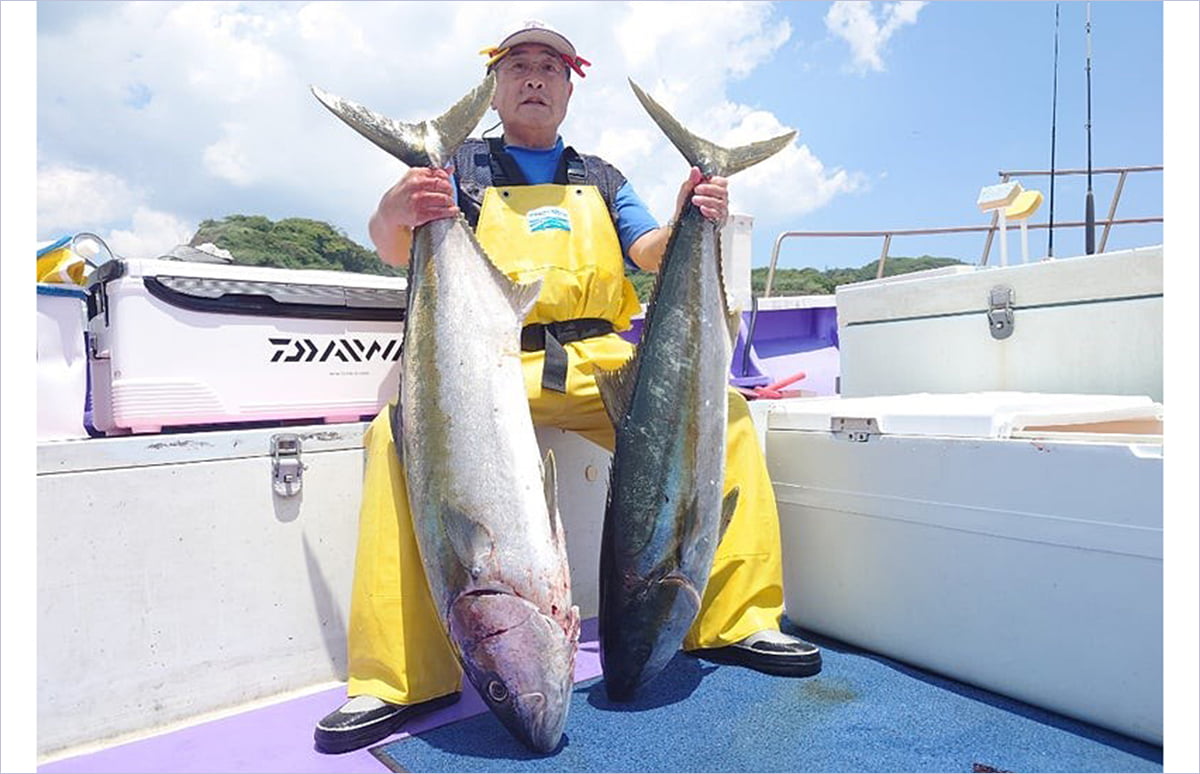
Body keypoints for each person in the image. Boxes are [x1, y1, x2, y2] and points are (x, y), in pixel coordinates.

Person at [314, 19, 821, 755]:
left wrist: (688, 216)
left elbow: (646, 250)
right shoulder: (462, 168)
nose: (534, 78)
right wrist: (401, 209)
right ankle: (397, 679)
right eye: (518, 65)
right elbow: (392, 243)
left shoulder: (601, 176)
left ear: (568, 87)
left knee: (730, 420)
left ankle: (738, 620)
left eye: (549, 68)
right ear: (494, 83)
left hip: (600, 362)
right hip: (486, 362)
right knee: (392, 439)